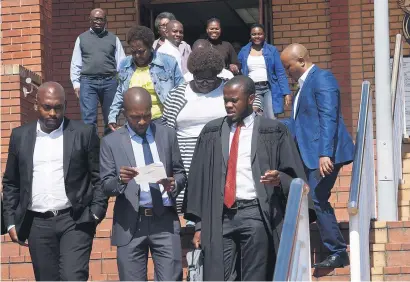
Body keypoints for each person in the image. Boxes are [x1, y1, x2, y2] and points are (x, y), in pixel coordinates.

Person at [184, 76, 309, 281]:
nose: (229, 105)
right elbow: (199, 181)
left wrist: (279, 179)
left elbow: (294, 176)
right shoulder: (211, 132)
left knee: (255, 276)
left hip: (255, 213)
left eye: (234, 100)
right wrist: (199, 225)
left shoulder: (274, 130)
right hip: (220, 216)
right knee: (219, 276)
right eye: (226, 100)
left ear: (251, 99)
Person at [2, 82, 108, 281]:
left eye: (58, 108)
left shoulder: (84, 133)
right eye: (47, 107)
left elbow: (99, 177)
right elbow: (11, 182)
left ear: (65, 106)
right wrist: (10, 222)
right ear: (36, 104)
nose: (53, 113)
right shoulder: (20, 136)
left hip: (75, 221)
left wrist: (95, 213)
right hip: (37, 224)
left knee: (73, 277)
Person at [100, 87, 187, 281]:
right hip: (131, 222)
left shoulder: (167, 135)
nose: (142, 122)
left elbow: (180, 173)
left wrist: (174, 183)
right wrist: (120, 180)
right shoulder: (111, 142)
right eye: (135, 117)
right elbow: (105, 185)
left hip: (164, 220)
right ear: (124, 114)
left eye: (146, 116)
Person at [280, 43, 354, 268]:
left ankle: (338, 251)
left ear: (301, 61)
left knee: (317, 197)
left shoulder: (322, 78)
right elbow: (301, 123)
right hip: (311, 152)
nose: (286, 72)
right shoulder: (302, 86)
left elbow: (329, 117)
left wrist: (325, 154)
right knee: (313, 198)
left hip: (325, 154)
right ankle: (332, 248)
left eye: (288, 67)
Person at [162, 47, 241, 215]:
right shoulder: (177, 94)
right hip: (185, 160)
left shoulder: (228, 90)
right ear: (192, 73)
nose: (205, 83)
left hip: (221, 156)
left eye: (210, 78)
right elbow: (166, 131)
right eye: (200, 78)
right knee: (187, 207)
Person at [108, 25, 184, 130]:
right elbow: (121, 92)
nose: (137, 55)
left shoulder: (168, 63)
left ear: (150, 47)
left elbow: (181, 91)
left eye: (141, 51)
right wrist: (113, 116)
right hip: (134, 122)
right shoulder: (125, 64)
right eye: (133, 52)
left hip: (162, 120)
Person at [70, 8, 125, 135]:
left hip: (110, 82)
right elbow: (76, 63)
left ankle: (109, 150)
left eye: (101, 19)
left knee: (111, 118)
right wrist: (76, 84)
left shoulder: (113, 39)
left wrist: (121, 84)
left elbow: (121, 64)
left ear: (105, 21)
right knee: (88, 120)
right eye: (95, 19)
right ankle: (92, 151)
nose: (98, 21)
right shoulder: (82, 38)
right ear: (90, 20)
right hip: (88, 83)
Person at [238, 24, 291, 119]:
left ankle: (273, 134)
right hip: (252, 89)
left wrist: (286, 92)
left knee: (271, 117)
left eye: (259, 34)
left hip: (269, 88)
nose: (257, 36)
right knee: (254, 117)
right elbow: (239, 69)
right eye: (254, 34)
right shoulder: (244, 51)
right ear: (250, 35)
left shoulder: (272, 50)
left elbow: (280, 72)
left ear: (264, 35)